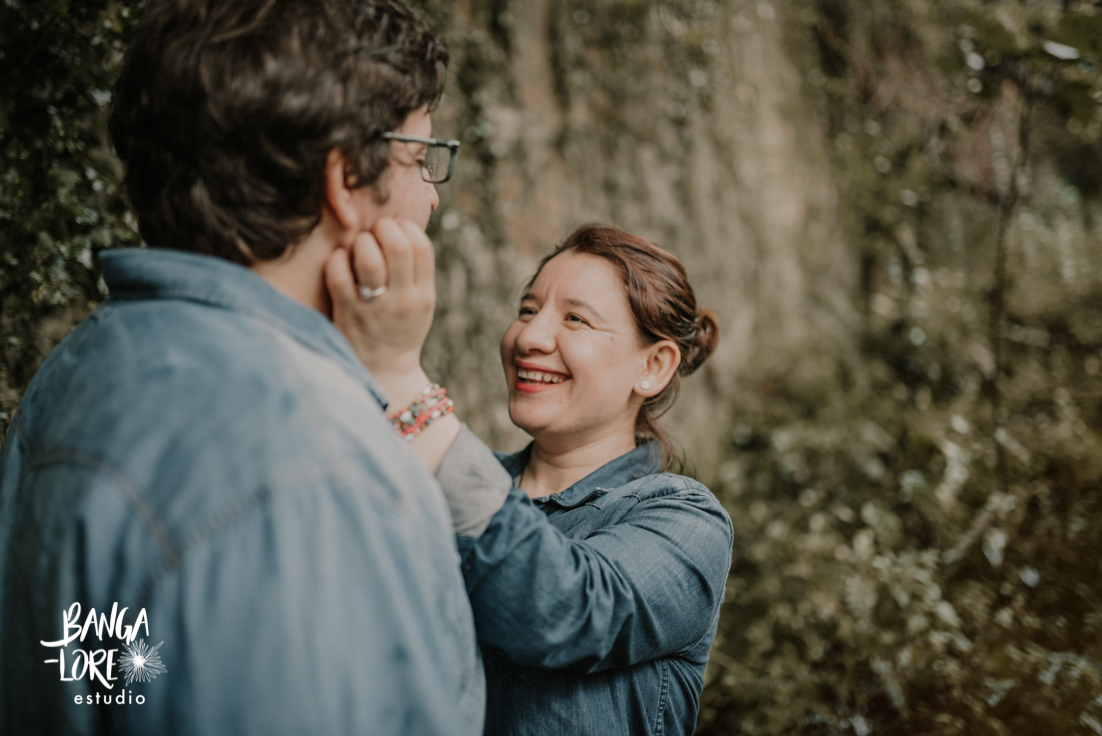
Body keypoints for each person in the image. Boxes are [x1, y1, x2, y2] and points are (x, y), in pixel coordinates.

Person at [0, 1, 513, 734]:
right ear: (344, 178)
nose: (432, 192)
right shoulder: (310, 464)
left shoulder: (71, 373)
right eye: (420, 155)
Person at [332, 223, 734, 735]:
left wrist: (405, 384)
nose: (529, 337)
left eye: (575, 319)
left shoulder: (686, 522)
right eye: (527, 310)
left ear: (653, 366)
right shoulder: (447, 480)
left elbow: (569, 610)